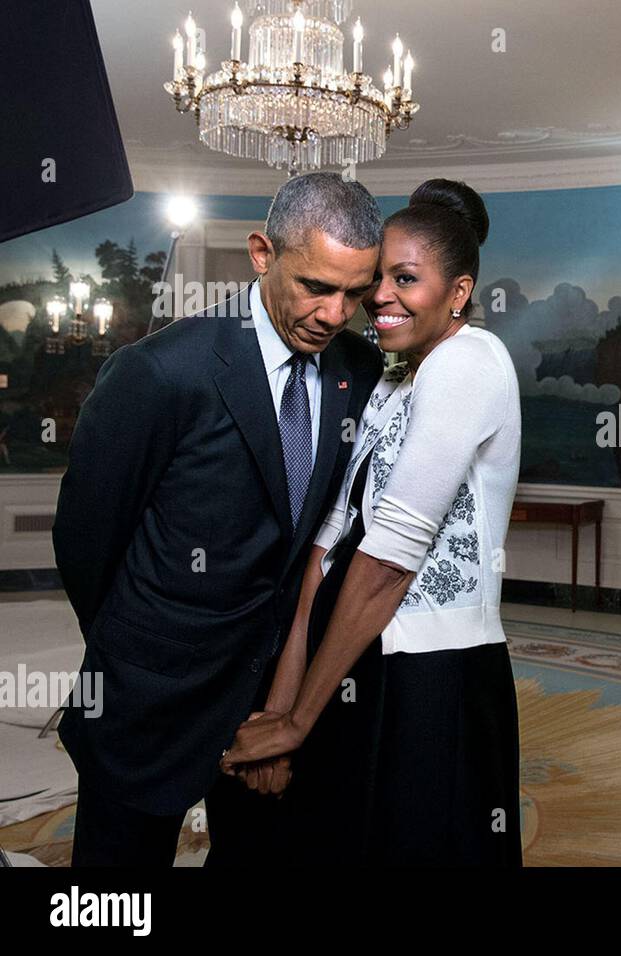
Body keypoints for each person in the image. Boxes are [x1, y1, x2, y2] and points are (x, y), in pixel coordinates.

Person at [52, 172, 386, 866]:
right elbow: (87, 541)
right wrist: (142, 650)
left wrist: (286, 703)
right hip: (148, 699)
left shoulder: (359, 368)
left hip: (271, 706)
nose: (334, 314)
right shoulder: (160, 372)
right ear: (263, 253)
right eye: (316, 287)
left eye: (355, 293)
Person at [221, 178, 524, 867]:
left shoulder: (470, 362)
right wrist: (284, 709)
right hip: (353, 656)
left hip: (432, 675)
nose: (379, 296)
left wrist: (297, 721)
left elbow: (390, 558)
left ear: (458, 292)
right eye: (377, 278)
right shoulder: (393, 380)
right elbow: (322, 557)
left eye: (406, 279)